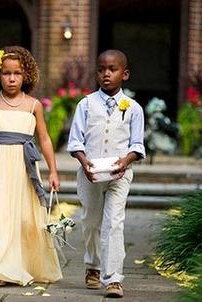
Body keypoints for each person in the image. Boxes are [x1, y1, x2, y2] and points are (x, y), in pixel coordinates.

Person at [0, 46, 62, 287]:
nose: (11, 78)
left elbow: (45, 139)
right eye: (6, 73)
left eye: (16, 73)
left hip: (24, 166)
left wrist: (53, 170)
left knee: (24, 215)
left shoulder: (34, 106)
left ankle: (22, 263)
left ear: (25, 75)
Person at [67, 49, 146, 298]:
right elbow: (75, 141)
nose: (106, 74)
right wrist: (84, 162)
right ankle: (93, 265)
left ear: (125, 74)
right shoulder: (86, 104)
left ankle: (113, 279)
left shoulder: (133, 108)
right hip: (90, 173)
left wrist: (126, 161)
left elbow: (137, 144)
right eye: (101, 69)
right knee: (91, 222)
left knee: (114, 223)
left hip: (119, 175)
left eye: (112, 69)